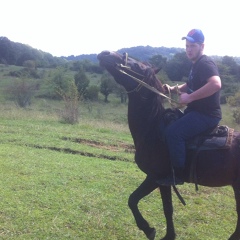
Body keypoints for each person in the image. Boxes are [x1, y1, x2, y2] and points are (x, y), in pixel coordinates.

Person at [157, 29, 222, 186]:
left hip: (206, 115)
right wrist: (173, 89)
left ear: (202, 46)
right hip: (196, 112)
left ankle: (178, 175)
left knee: (173, 133)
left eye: (192, 45)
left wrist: (190, 97)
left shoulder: (205, 63)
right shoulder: (196, 65)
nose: (189, 49)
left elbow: (215, 84)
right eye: (187, 46)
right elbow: (190, 84)